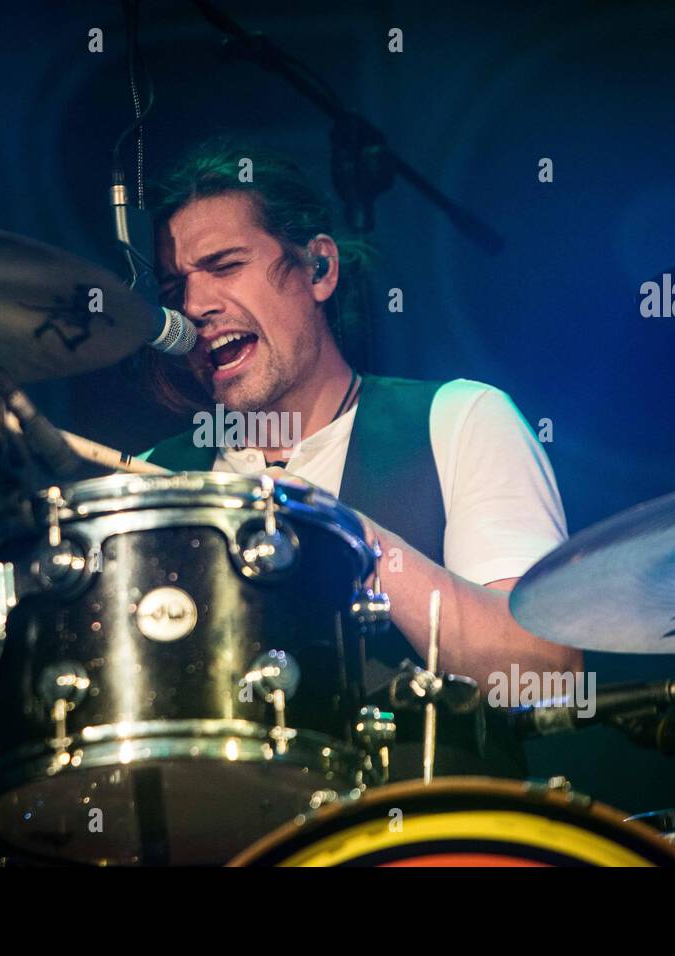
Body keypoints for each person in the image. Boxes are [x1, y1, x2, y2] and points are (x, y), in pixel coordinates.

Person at [141, 141, 581, 777]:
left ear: (319, 267)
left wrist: (339, 532)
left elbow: (545, 676)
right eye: (176, 286)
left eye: (225, 266)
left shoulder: (457, 420)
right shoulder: (151, 480)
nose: (194, 306)